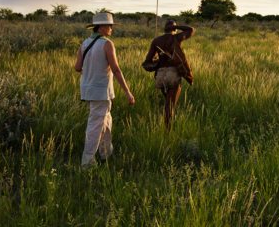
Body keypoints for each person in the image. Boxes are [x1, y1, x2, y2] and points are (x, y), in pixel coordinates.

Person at [74, 12, 135, 168]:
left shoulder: (84, 43)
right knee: (95, 125)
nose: (111, 29)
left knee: (106, 120)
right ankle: (87, 162)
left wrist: (92, 70)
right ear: (101, 27)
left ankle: (106, 152)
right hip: (101, 91)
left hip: (88, 89)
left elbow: (77, 67)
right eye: (110, 26)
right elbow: (116, 69)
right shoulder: (107, 44)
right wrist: (128, 92)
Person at [143, 20, 195, 129]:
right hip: (173, 74)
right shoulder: (176, 38)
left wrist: (158, 61)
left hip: (161, 76)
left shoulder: (156, 41)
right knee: (169, 106)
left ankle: (168, 127)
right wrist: (176, 26)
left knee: (168, 102)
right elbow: (191, 30)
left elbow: (148, 61)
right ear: (173, 29)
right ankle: (168, 133)